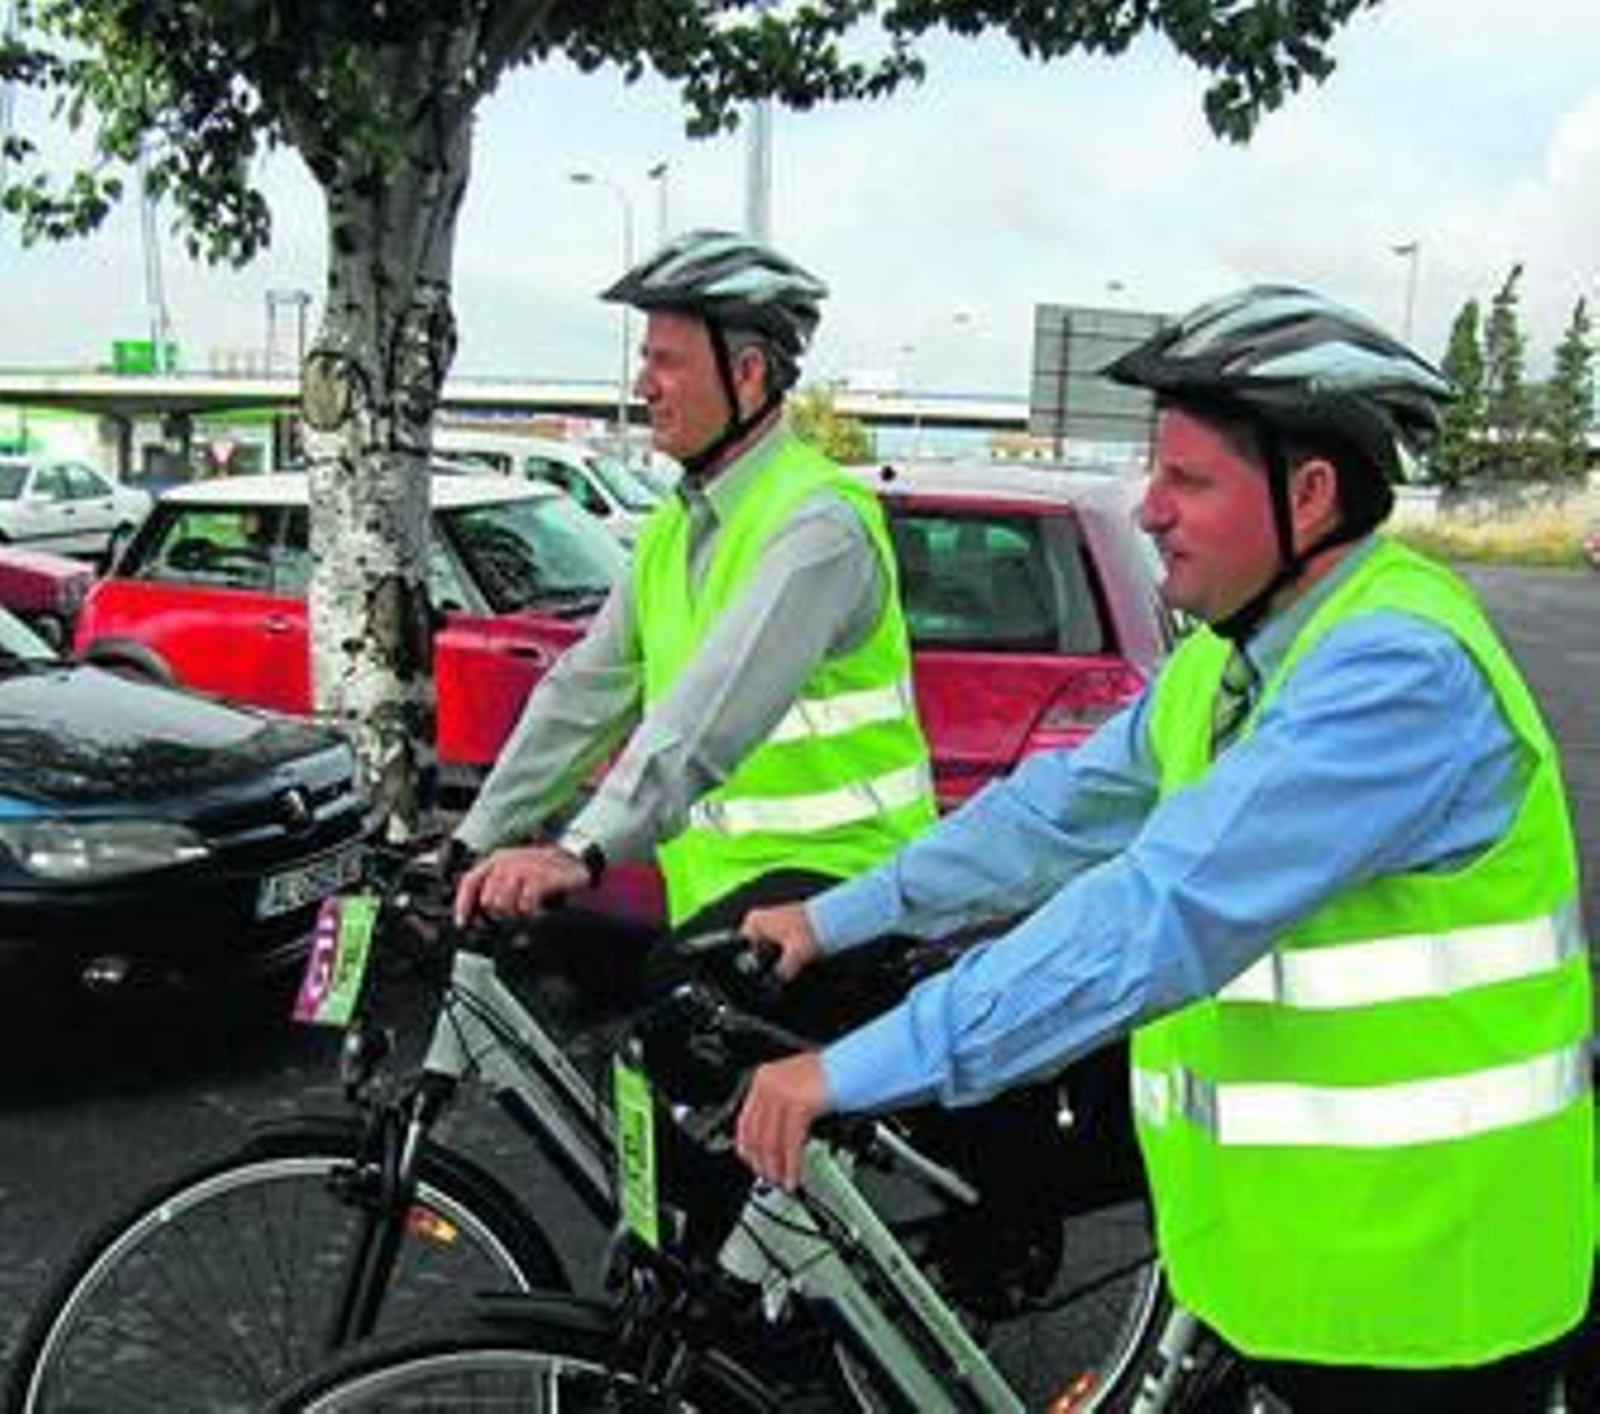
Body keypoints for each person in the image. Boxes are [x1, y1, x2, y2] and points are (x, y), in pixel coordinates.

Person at [732, 285, 1593, 1410]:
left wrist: (850, 1069)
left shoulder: (1396, 674)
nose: (1148, 510)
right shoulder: (1228, 660)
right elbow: (1049, 816)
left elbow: (1155, 916)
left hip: (1429, 1301)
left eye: (1187, 480)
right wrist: (831, 917)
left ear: (1310, 494)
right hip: (1288, 1263)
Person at [452, 229, 936, 941]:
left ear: (748, 374)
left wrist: (580, 850)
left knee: (637, 1003)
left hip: (840, 899)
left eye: (666, 361)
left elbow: (711, 712)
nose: (642, 385)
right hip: (721, 909)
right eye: (644, 359)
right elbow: (583, 695)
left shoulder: (817, 527)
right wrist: (471, 840)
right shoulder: (670, 530)